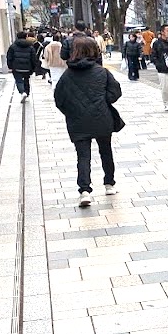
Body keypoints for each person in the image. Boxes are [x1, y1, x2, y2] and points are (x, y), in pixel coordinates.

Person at [53, 36, 122, 207]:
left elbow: (59, 99)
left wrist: (71, 111)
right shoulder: (102, 72)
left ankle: (84, 190)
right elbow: (116, 92)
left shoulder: (67, 76)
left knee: (83, 155)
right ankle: (109, 183)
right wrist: (104, 101)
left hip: (77, 121)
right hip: (102, 118)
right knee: (105, 150)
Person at [6, 30, 36, 102]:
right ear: (26, 37)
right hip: (27, 67)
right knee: (26, 80)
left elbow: (9, 57)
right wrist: (33, 67)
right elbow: (33, 58)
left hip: (16, 67)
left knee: (19, 81)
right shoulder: (30, 46)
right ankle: (27, 94)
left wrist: (10, 66)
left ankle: (22, 92)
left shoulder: (12, 46)